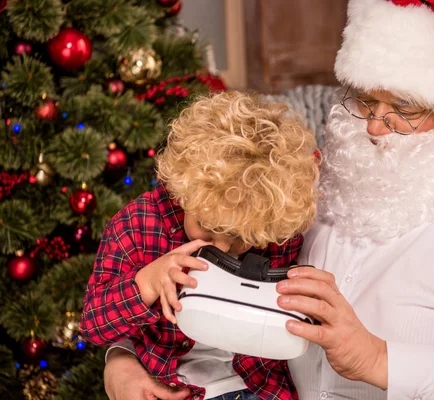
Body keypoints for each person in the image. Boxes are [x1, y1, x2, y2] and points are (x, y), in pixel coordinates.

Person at [103, 0, 434, 399]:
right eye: (364, 99)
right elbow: (209, 293)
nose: (376, 126)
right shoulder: (310, 170)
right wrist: (123, 362)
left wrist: (380, 361)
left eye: (405, 108)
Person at [80, 91, 319, 400]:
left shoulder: (273, 228)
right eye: (210, 227)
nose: (223, 245)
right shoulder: (138, 225)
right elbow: (93, 326)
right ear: (183, 192)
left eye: (240, 235)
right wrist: (148, 282)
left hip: (257, 388)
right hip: (171, 388)